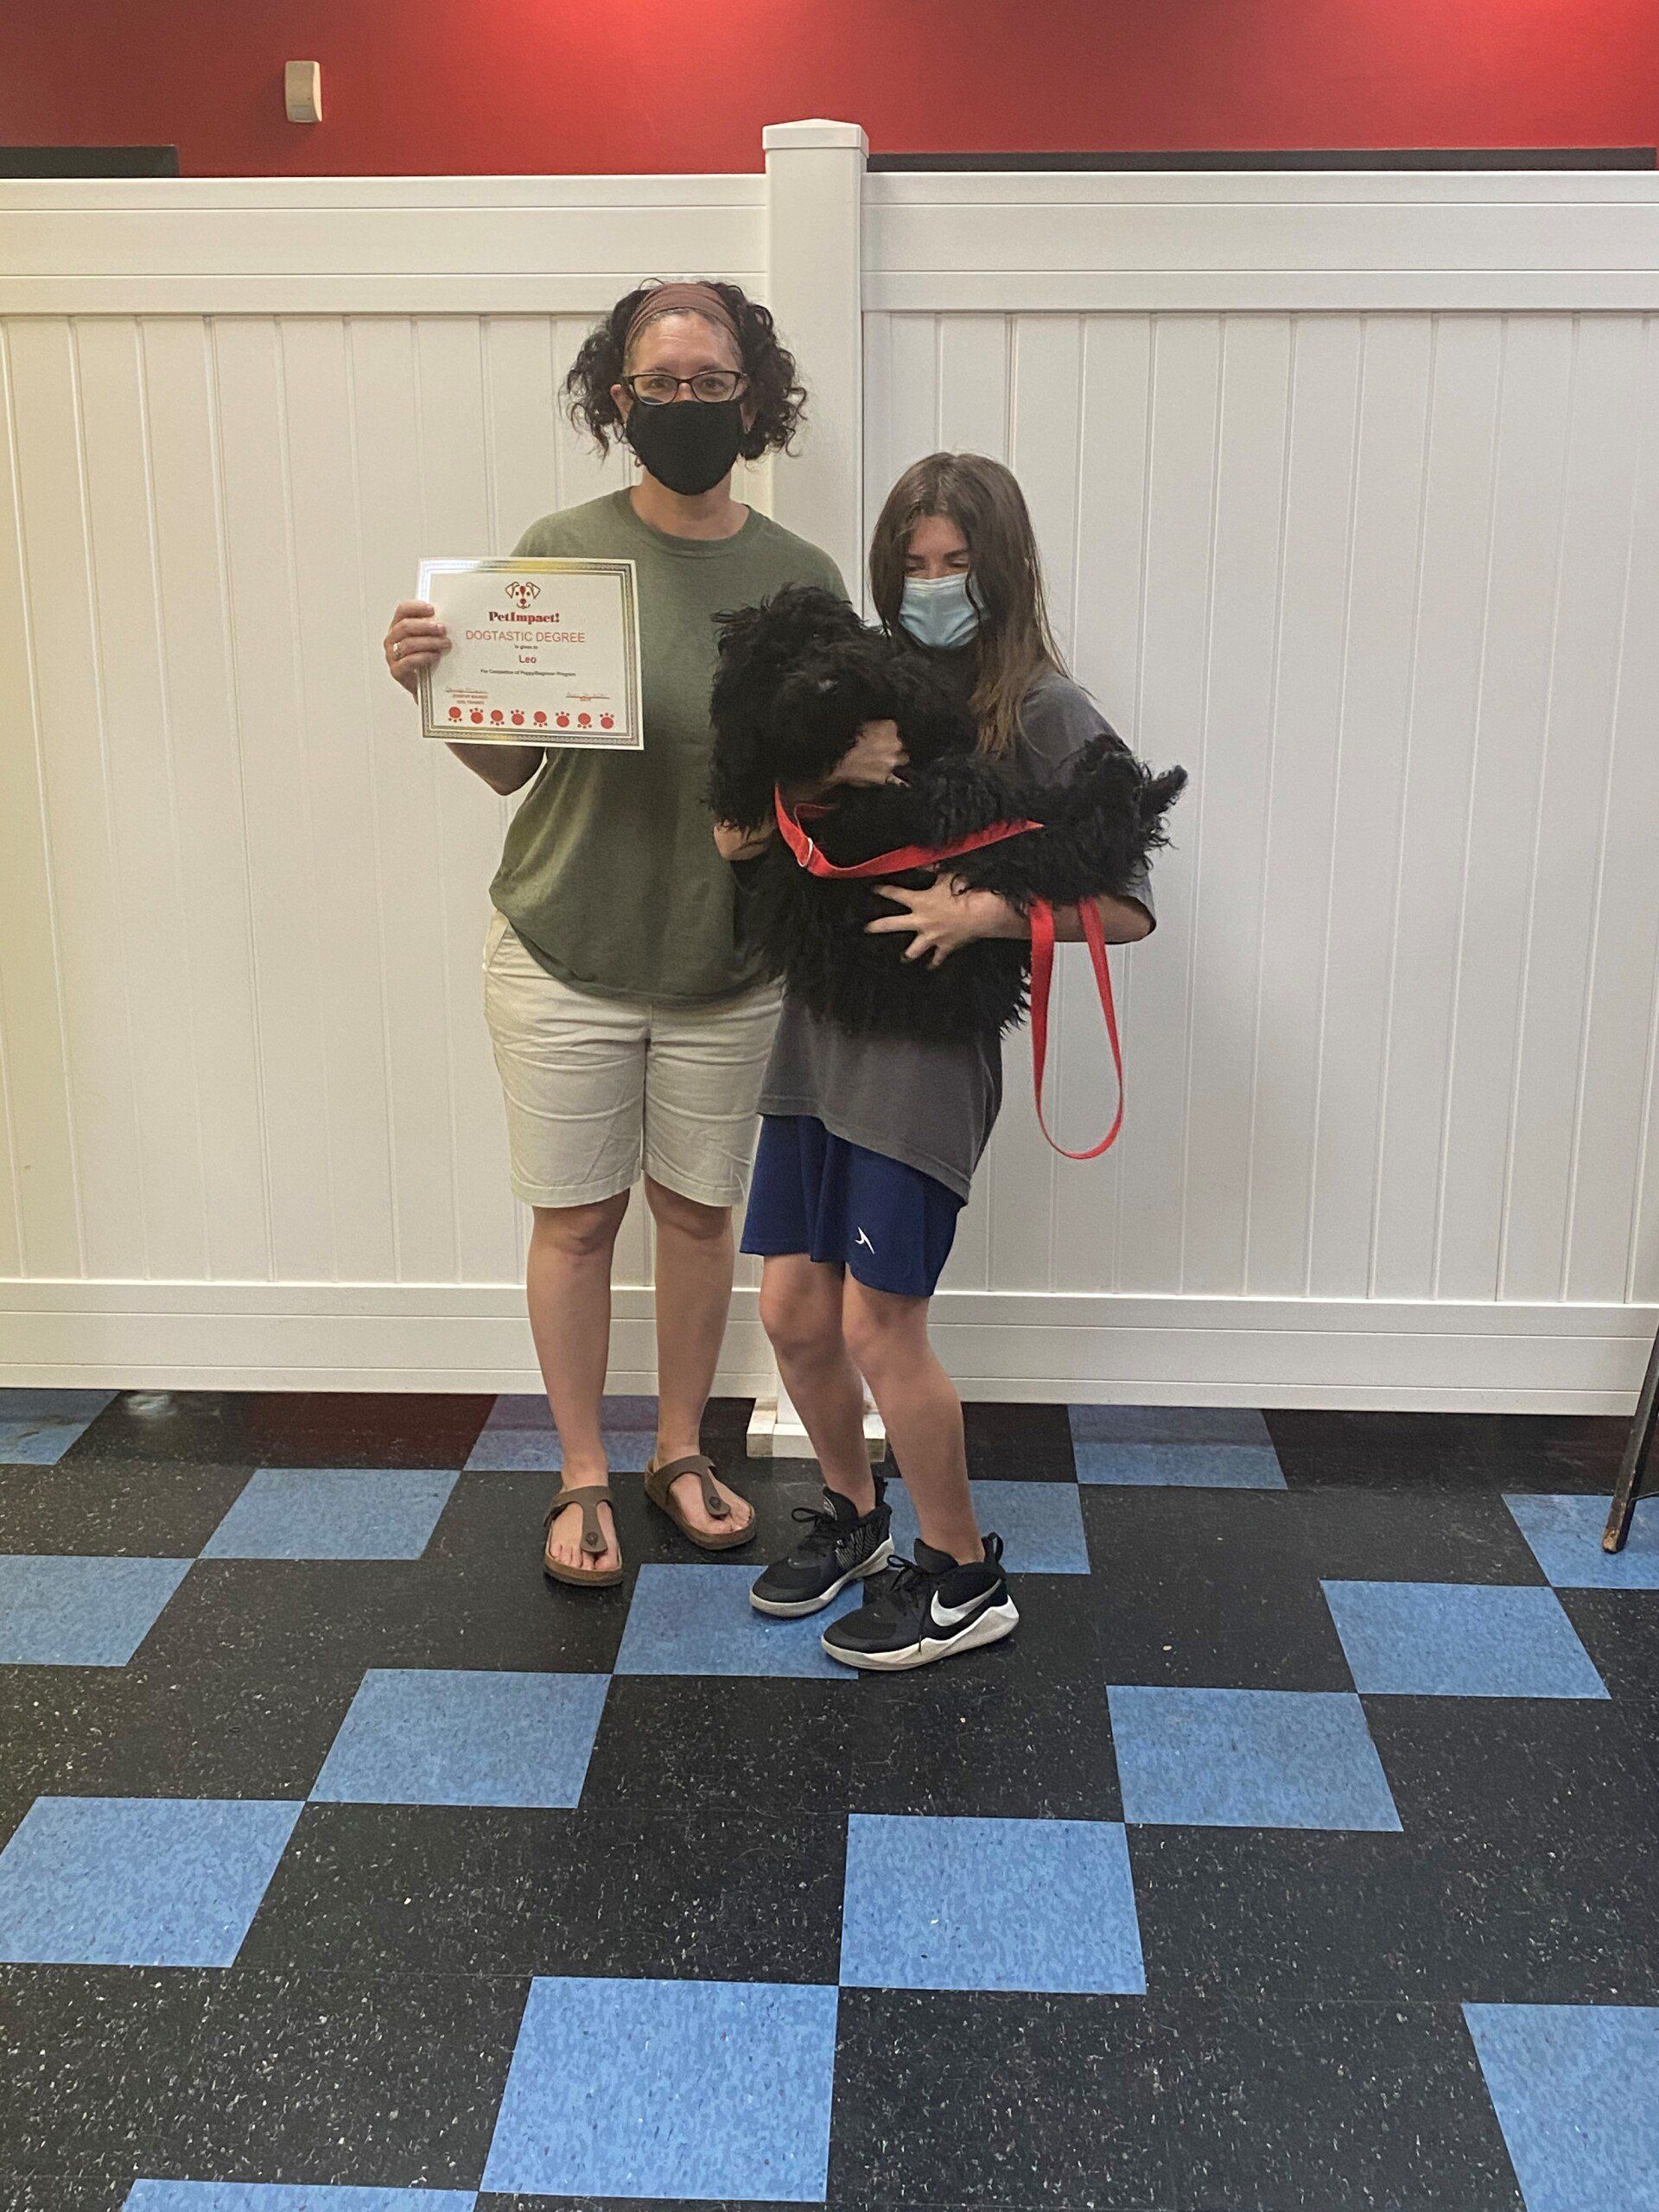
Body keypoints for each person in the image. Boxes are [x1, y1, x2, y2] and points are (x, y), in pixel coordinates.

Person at [383, 279, 851, 1586]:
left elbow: (830, 779)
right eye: (661, 384)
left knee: (699, 1221)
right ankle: (584, 1471)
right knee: (577, 1222)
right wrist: (440, 687)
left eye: (712, 383)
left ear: (754, 399)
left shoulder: (800, 576)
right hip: (562, 952)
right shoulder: (559, 548)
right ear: (617, 398)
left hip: (729, 963)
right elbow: (510, 768)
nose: (686, 404)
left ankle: (680, 1452)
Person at [715, 452, 1156, 1669]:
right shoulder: (862, 687)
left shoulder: (1049, 710)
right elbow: (740, 827)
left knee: (878, 1326)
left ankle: (965, 1578)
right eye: (912, 565)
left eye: (956, 565)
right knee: (794, 1311)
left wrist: (981, 913)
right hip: (819, 1031)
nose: (932, 585)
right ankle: (859, 1522)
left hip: (921, 1055)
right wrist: (820, 768)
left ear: (1002, 571)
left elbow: (1124, 907)